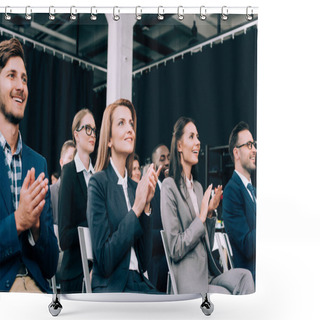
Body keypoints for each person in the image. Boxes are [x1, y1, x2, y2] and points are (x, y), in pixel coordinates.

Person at [161, 116, 254, 295]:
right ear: (179, 146)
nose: (198, 142)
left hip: (208, 273)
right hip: (189, 279)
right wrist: (201, 217)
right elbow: (174, 248)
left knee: (245, 277)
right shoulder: (169, 186)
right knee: (226, 296)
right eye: (191, 137)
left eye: (197, 136)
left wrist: (210, 214)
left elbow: (205, 243)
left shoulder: (197, 187)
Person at [0, 38, 59, 292]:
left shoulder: (39, 163)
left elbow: (51, 265)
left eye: (24, 79)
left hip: (38, 292)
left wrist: (35, 228)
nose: (20, 86)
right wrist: (18, 221)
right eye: (11, 76)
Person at [87, 98, 160, 293]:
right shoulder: (98, 183)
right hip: (115, 288)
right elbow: (104, 260)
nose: (130, 129)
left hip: (138, 283)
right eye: (121, 123)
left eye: (131, 123)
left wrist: (145, 208)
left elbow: (144, 263)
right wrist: (136, 208)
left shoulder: (135, 188)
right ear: (109, 139)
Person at [58, 109, 96, 293]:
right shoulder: (69, 173)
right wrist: (92, 224)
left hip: (98, 273)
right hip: (74, 275)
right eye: (87, 128)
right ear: (76, 135)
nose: (92, 134)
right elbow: (64, 238)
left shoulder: (100, 176)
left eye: (94, 130)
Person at [222, 121, 257, 282]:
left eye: (254, 145)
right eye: (249, 145)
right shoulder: (231, 191)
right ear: (236, 153)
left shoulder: (252, 190)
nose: (254, 150)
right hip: (252, 278)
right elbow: (247, 247)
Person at [147, 144, 170, 292]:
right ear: (154, 164)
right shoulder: (150, 190)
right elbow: (148, 233)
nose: (167, 162)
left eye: (169, 157)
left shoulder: (172, 187)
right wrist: (170, 237)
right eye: (162, 158)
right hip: (157, 262)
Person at [50, 140, 75, 225]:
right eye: (70, 158)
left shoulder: (85, 195)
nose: (74, 163)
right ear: (61, 162)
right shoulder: (49, 192)